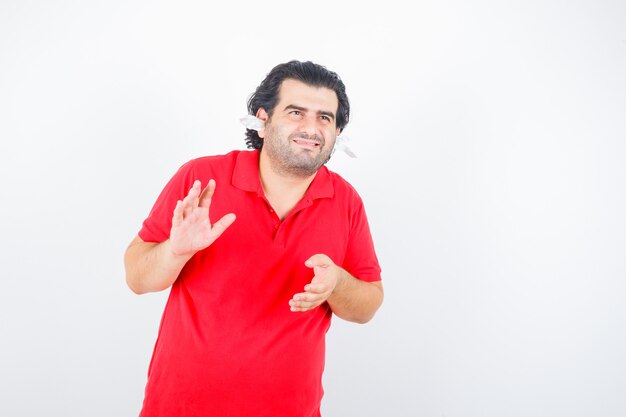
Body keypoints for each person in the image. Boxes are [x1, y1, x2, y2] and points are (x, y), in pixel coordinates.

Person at [124, 60, 384, 417]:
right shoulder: (202, 178)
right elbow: (137, 278)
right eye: (296, 112)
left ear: (338, 131)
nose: (311, 128)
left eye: (325, 117)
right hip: (181, 407)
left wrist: (336, 283)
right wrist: (176, 251)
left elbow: (368, 304)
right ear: (262, 120)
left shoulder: (346, 201)